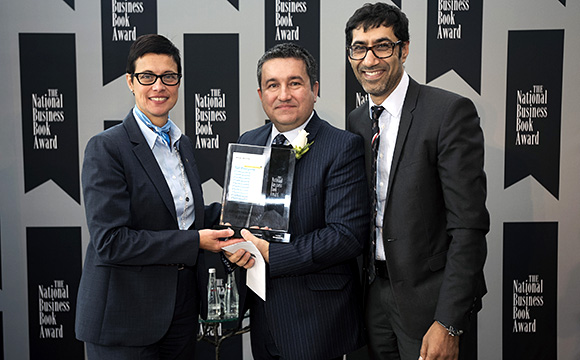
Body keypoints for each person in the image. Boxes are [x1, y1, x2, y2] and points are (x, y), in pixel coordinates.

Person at [75, 34, 240, 359]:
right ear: (130, 82)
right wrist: (196, 242)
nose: (158, 86)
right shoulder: (107, 148)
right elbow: (112, 242)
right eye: (147, 76)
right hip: (123, 318)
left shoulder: (181, 144)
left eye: (169, 77)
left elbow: (179, 216)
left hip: (179, 311)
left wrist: (237, 211)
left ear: (178, 82)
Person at [345, 3, 489, 360]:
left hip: (430, 304)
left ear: (404, 49)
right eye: (359, 48)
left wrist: (448, 321)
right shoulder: (357, 121)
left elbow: (468, 226)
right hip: (371, 297)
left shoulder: (448, 112)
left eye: (383, 45)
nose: (369, 59)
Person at [225, 43, 369, 360]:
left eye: (295, 83)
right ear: (261, 94)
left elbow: (346, 236)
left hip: (317, 320)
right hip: (261, 315)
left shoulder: (342, 146)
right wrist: (235, 245)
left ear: (314, 89)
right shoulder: (248, 142)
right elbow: (238, 220)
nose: (283, 94)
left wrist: (273, 254)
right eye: (272, 85)